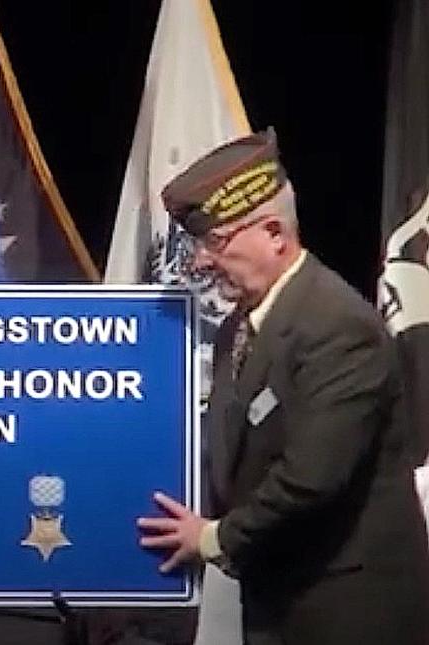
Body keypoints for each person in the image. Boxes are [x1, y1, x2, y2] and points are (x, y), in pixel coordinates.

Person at [136, 129, 429, 644]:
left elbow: (311, 478)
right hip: (278, 599)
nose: (202, 261)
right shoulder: (241, 325)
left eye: (215, 241)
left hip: (348, 611)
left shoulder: (339, 327)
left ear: (274, 232)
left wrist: (211, 537)